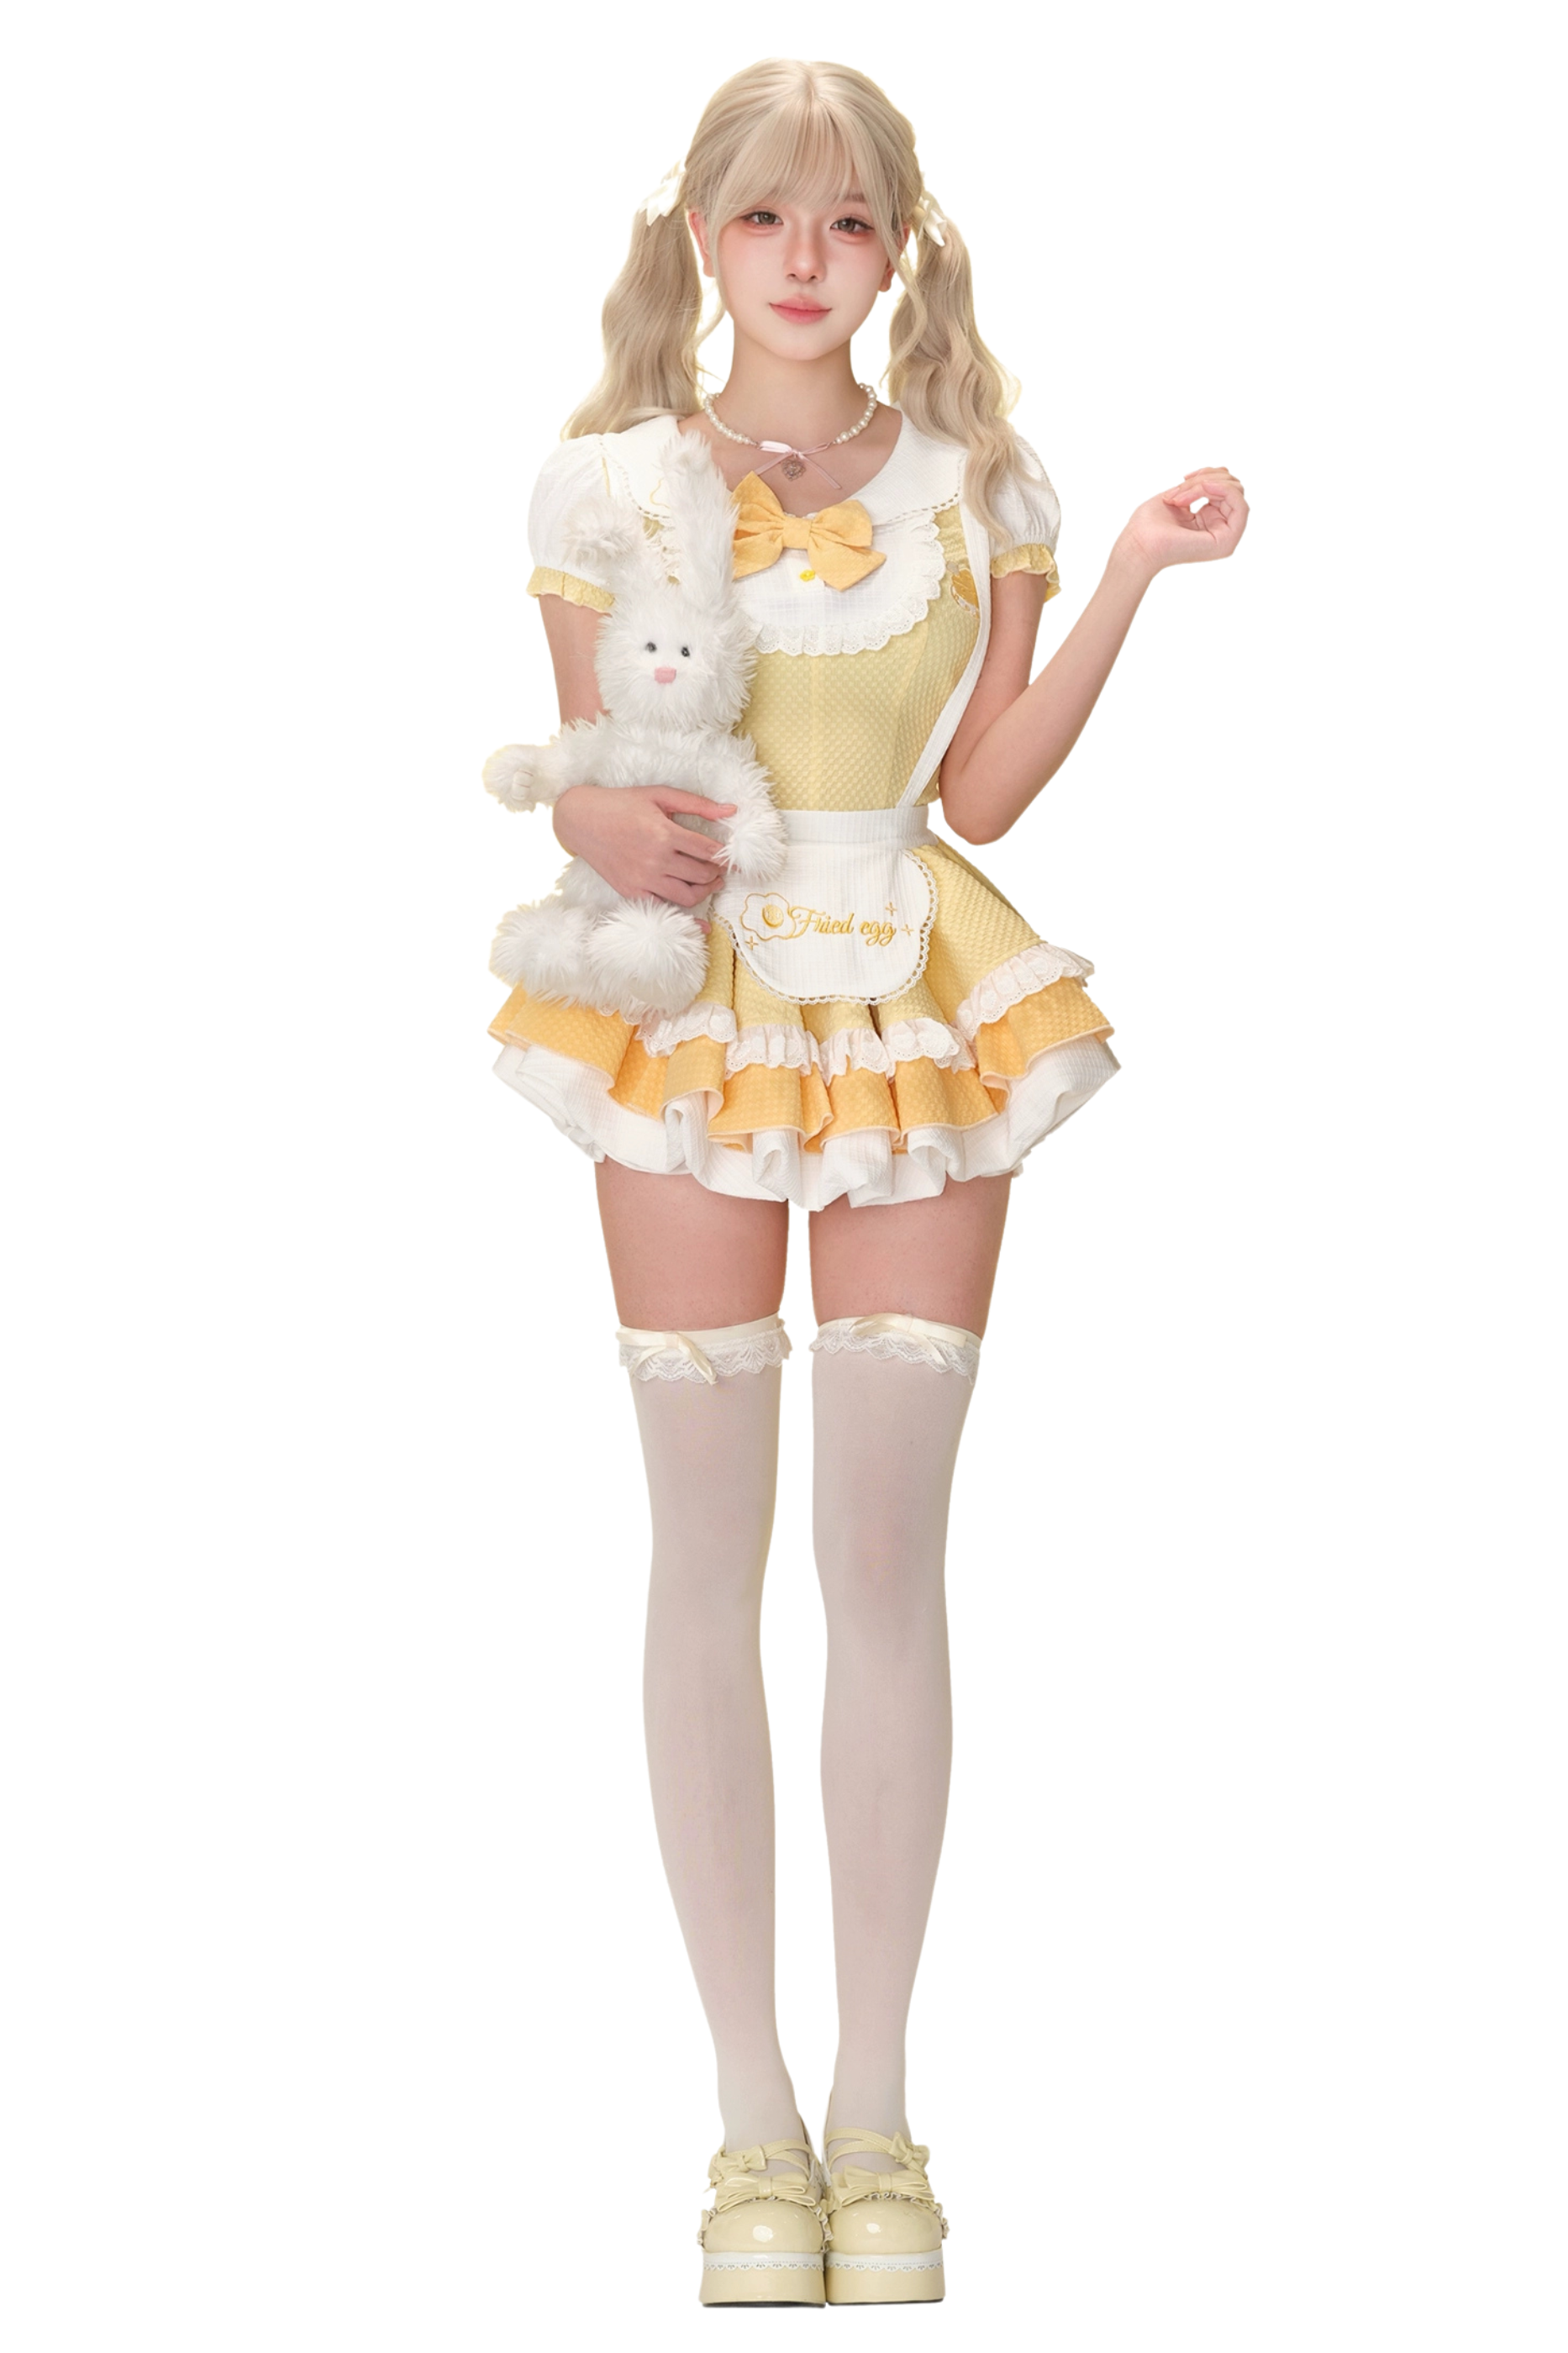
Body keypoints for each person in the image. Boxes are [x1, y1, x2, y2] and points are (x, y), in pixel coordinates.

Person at [485, 55, 1248, 2308]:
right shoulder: (610, 480)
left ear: (898, 247)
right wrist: (579, 815)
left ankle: (881, 2111)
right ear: (703, 238)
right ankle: (750, 2122)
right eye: (765, 220)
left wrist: (1129, 573)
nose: (806, 263)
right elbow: (607, 766)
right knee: (702, 1557)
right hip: (691, 1003)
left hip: (914, 980)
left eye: (845, 223)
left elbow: (984, 795)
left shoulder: (976, 481)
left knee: (888, 1561)